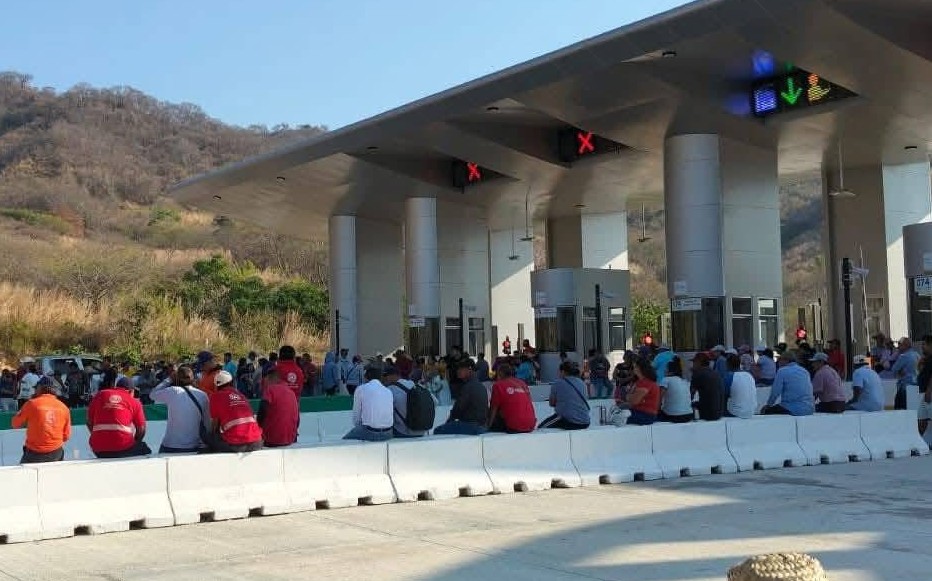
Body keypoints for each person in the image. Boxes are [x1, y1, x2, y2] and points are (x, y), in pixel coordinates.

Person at [87, 370, 151, 458]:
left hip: (98, 449)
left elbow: (89, 422)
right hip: (123, 447)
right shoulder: (134, 402)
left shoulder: (100, 395)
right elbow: (141, 430)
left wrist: (100, 436)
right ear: (131, 391)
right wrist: (135, 442)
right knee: (145, 449)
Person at [150, 365, 210, 454]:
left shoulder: (173, 391)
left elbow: (152, 394)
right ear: (193, 378)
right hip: (194, 445)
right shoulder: (203, 395)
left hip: (170, 445)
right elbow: (207, 423)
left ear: (177, 379)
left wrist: (169, 379)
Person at [12, 377, 71, 463]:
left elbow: (15, 424)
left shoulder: (31, 404)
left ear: (40, 388)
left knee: (24, 474)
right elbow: (66, 436)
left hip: (34, 454)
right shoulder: (64, 407)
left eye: (36, 388)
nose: (35, 391)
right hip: (56, 453)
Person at [207, 370, 263, 453]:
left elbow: (214, 426)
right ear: (232, 382)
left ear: (216, 385)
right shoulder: (242, 396)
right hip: (257, 442)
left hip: (236, 444)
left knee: (209, 438)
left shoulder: (215, 397)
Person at [434, 360, 489, 435]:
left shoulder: (468, 387)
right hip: (482, 426)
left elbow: (458, 409)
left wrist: (449, 420)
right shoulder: (481, 386)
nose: (458, 371)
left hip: (471, 426)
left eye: (461, 369)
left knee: (437, 431)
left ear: (469, 370)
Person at [343, 366, 394, 441]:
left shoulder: (361, 389)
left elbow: (356, 416)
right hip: (389, 433)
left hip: (370, 432)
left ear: (366, 377)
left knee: (345, 441)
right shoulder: (388, 391)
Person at [539, 361, 590, 430]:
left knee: (541, 428)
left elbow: (551, 403)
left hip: (569, 420)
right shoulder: (582, 383)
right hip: (585, 421)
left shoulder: (557, 383)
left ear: (563, 372)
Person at [257, 367, 300, 447]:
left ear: (269, 378)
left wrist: (258, 427)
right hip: (290, 439)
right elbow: (297, 419)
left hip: (271, 439)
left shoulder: (270, 390)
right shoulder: (291, 392)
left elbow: (262, 410)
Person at [762, 351, 815, 416]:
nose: (778, 362)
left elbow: (775, 392)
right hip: (809, 408)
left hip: (792, 408)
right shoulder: (804, 371)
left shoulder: (782, 371)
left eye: (779, 359)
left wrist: (768, 405)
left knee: (765, 411)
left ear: (786, 360)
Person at [488, 364, 536, 433]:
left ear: (500, 373)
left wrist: (489, 425)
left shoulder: (498, 385)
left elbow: (494, 408)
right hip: (530, 424)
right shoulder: (522, 383)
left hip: (513, 426)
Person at [384, 366, 429, 438]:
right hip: (422, 430)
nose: (385, 378)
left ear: (394, 375)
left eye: (386, 375)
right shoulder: (413, 384)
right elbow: (435, 401)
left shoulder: (390, 390)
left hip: (403, 432)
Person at [620, 358, 661, 425]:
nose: (634, 369)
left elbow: (634, 400)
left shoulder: (645, 383)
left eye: (635, 367)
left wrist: (627, 396)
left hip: (645, 415)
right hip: (642, 413)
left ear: (639, 368)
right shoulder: (643, 382)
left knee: (617, 417)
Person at [657, 356, 693, 423]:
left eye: (665, 368)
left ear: (669, 370)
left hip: (673, 415)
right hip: (689, 415)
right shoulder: (684, 381)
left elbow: (659, 398)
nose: (664, 370)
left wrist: (657, 410)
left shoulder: (665, 380)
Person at [691, 352, 724, 421]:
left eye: (694, 362)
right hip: (720, 412)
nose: (693, 364)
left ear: (698, 362)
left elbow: (690, 394)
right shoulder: (715, 373)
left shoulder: (697, 374)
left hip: (708, 413)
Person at [890, 338, 919, 410]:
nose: (898, 347)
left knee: (900, 410)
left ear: (905, 346)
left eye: (900, 344)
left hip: (904, 387)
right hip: (916, 387)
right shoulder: (917, 355)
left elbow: (893, 370)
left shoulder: (903, 356)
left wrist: (899, 372)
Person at [726, 353, 757, 419]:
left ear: (728, 365)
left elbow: (724, 393)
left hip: (736, 412)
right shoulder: (749, 375)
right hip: (751, 411)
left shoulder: (730, 376)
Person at [916, 334, 932, 436]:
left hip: (929, 393)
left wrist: (929, 391)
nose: (922, 346)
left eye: (924, 344)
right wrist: (920, 364)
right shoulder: (927, 359)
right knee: (921, 419)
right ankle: (918, 441)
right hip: (924, 393)